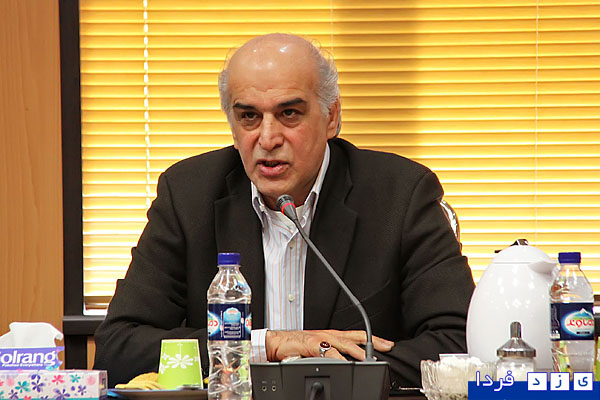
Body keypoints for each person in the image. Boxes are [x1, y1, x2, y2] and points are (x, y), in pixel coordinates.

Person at [94, 33, 475, 390]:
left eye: (289, 113)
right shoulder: (188, 196)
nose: (268, 138)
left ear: (331, 117)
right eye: (249, 117)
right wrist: (269, 345)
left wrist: (323, 370)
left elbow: (458, 344)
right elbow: (120, 347)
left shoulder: (400, 195)